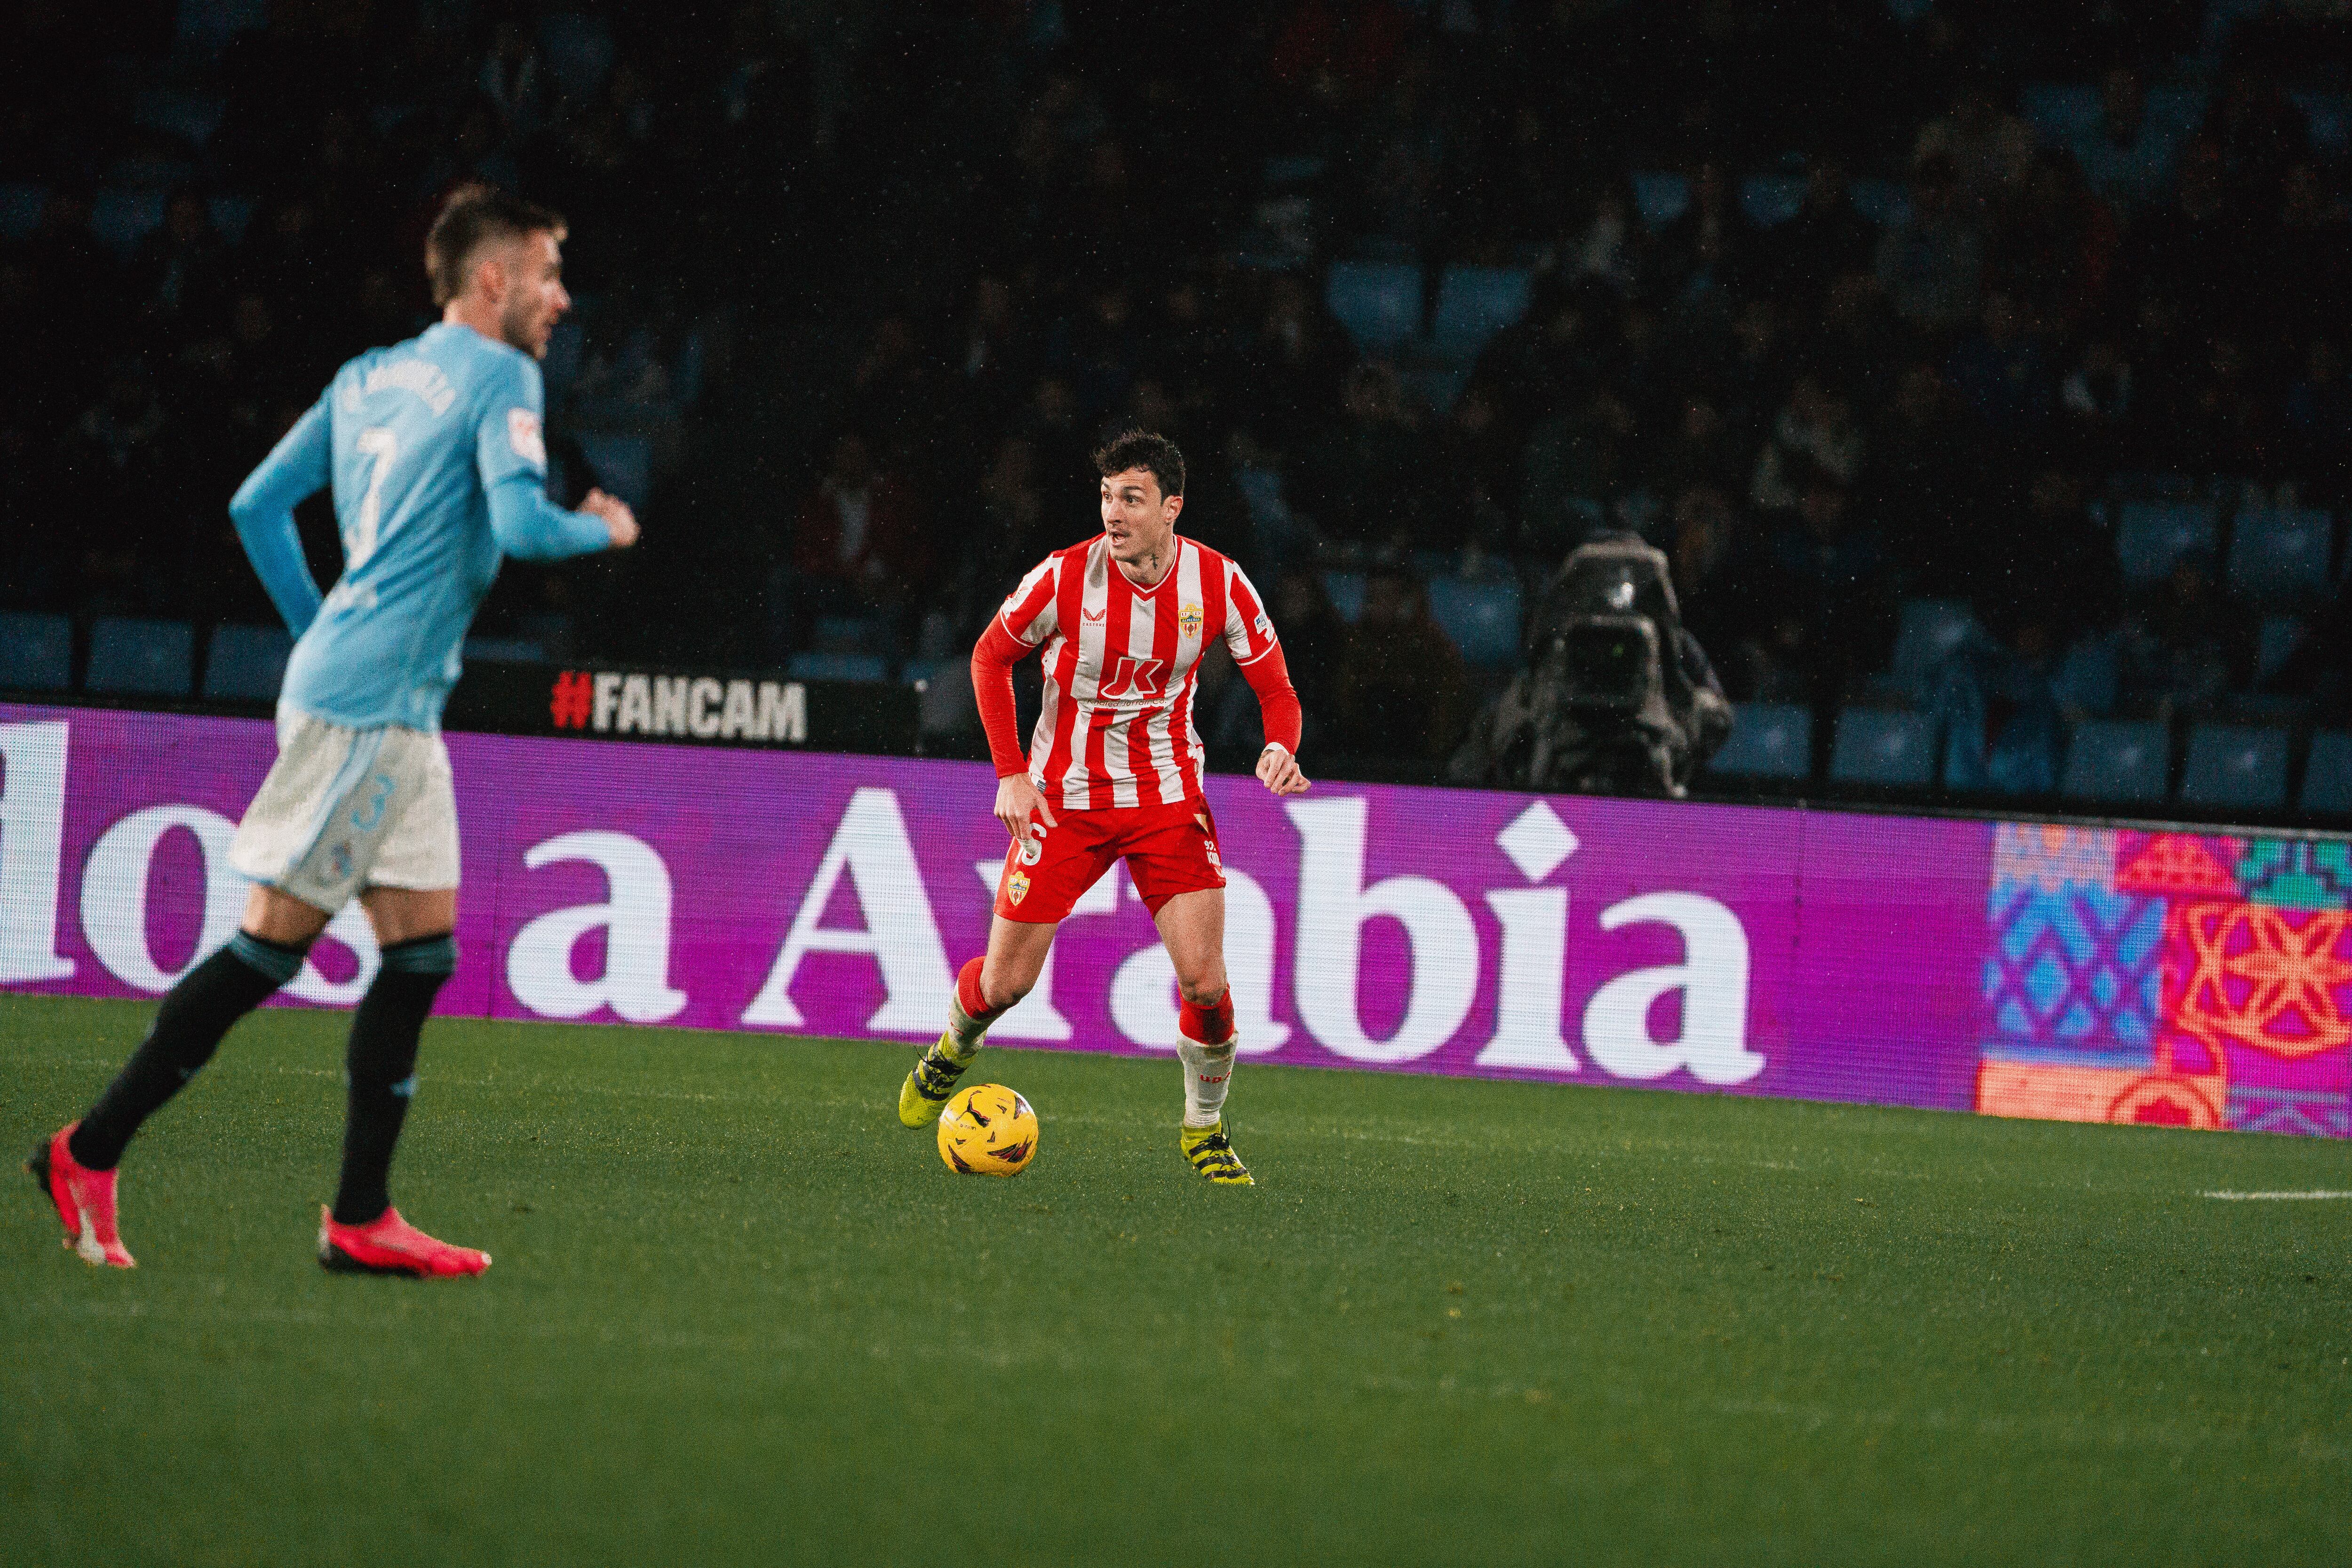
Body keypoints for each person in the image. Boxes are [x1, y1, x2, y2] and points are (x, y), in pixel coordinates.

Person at [27, 185, 638, 1276]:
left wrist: (325, 631)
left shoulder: (365, 378)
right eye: (548, 272)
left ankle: (361, 1216)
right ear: (490, 278)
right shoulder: (502, 373)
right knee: (270, 947)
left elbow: (257, 506)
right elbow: (520, 525)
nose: (562, 296)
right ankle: (87, 1147)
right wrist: (602, 527)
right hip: (367, 713)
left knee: (421, 954)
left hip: (379, 703)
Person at [894, 431, 1307, 1185]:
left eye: (1132, 498)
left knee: (1206, 983)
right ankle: (953, 1047)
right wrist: (1010, 773)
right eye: (1108, 496)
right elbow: (989, 657)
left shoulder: (1218, 583)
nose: (1113, 513)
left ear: (1172, 508)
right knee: (1005, 985)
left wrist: (1281, 744)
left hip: (1166, 801)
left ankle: (1204, 1129)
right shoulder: (1061, 578)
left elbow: (1277, 688)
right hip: (1063, 803)